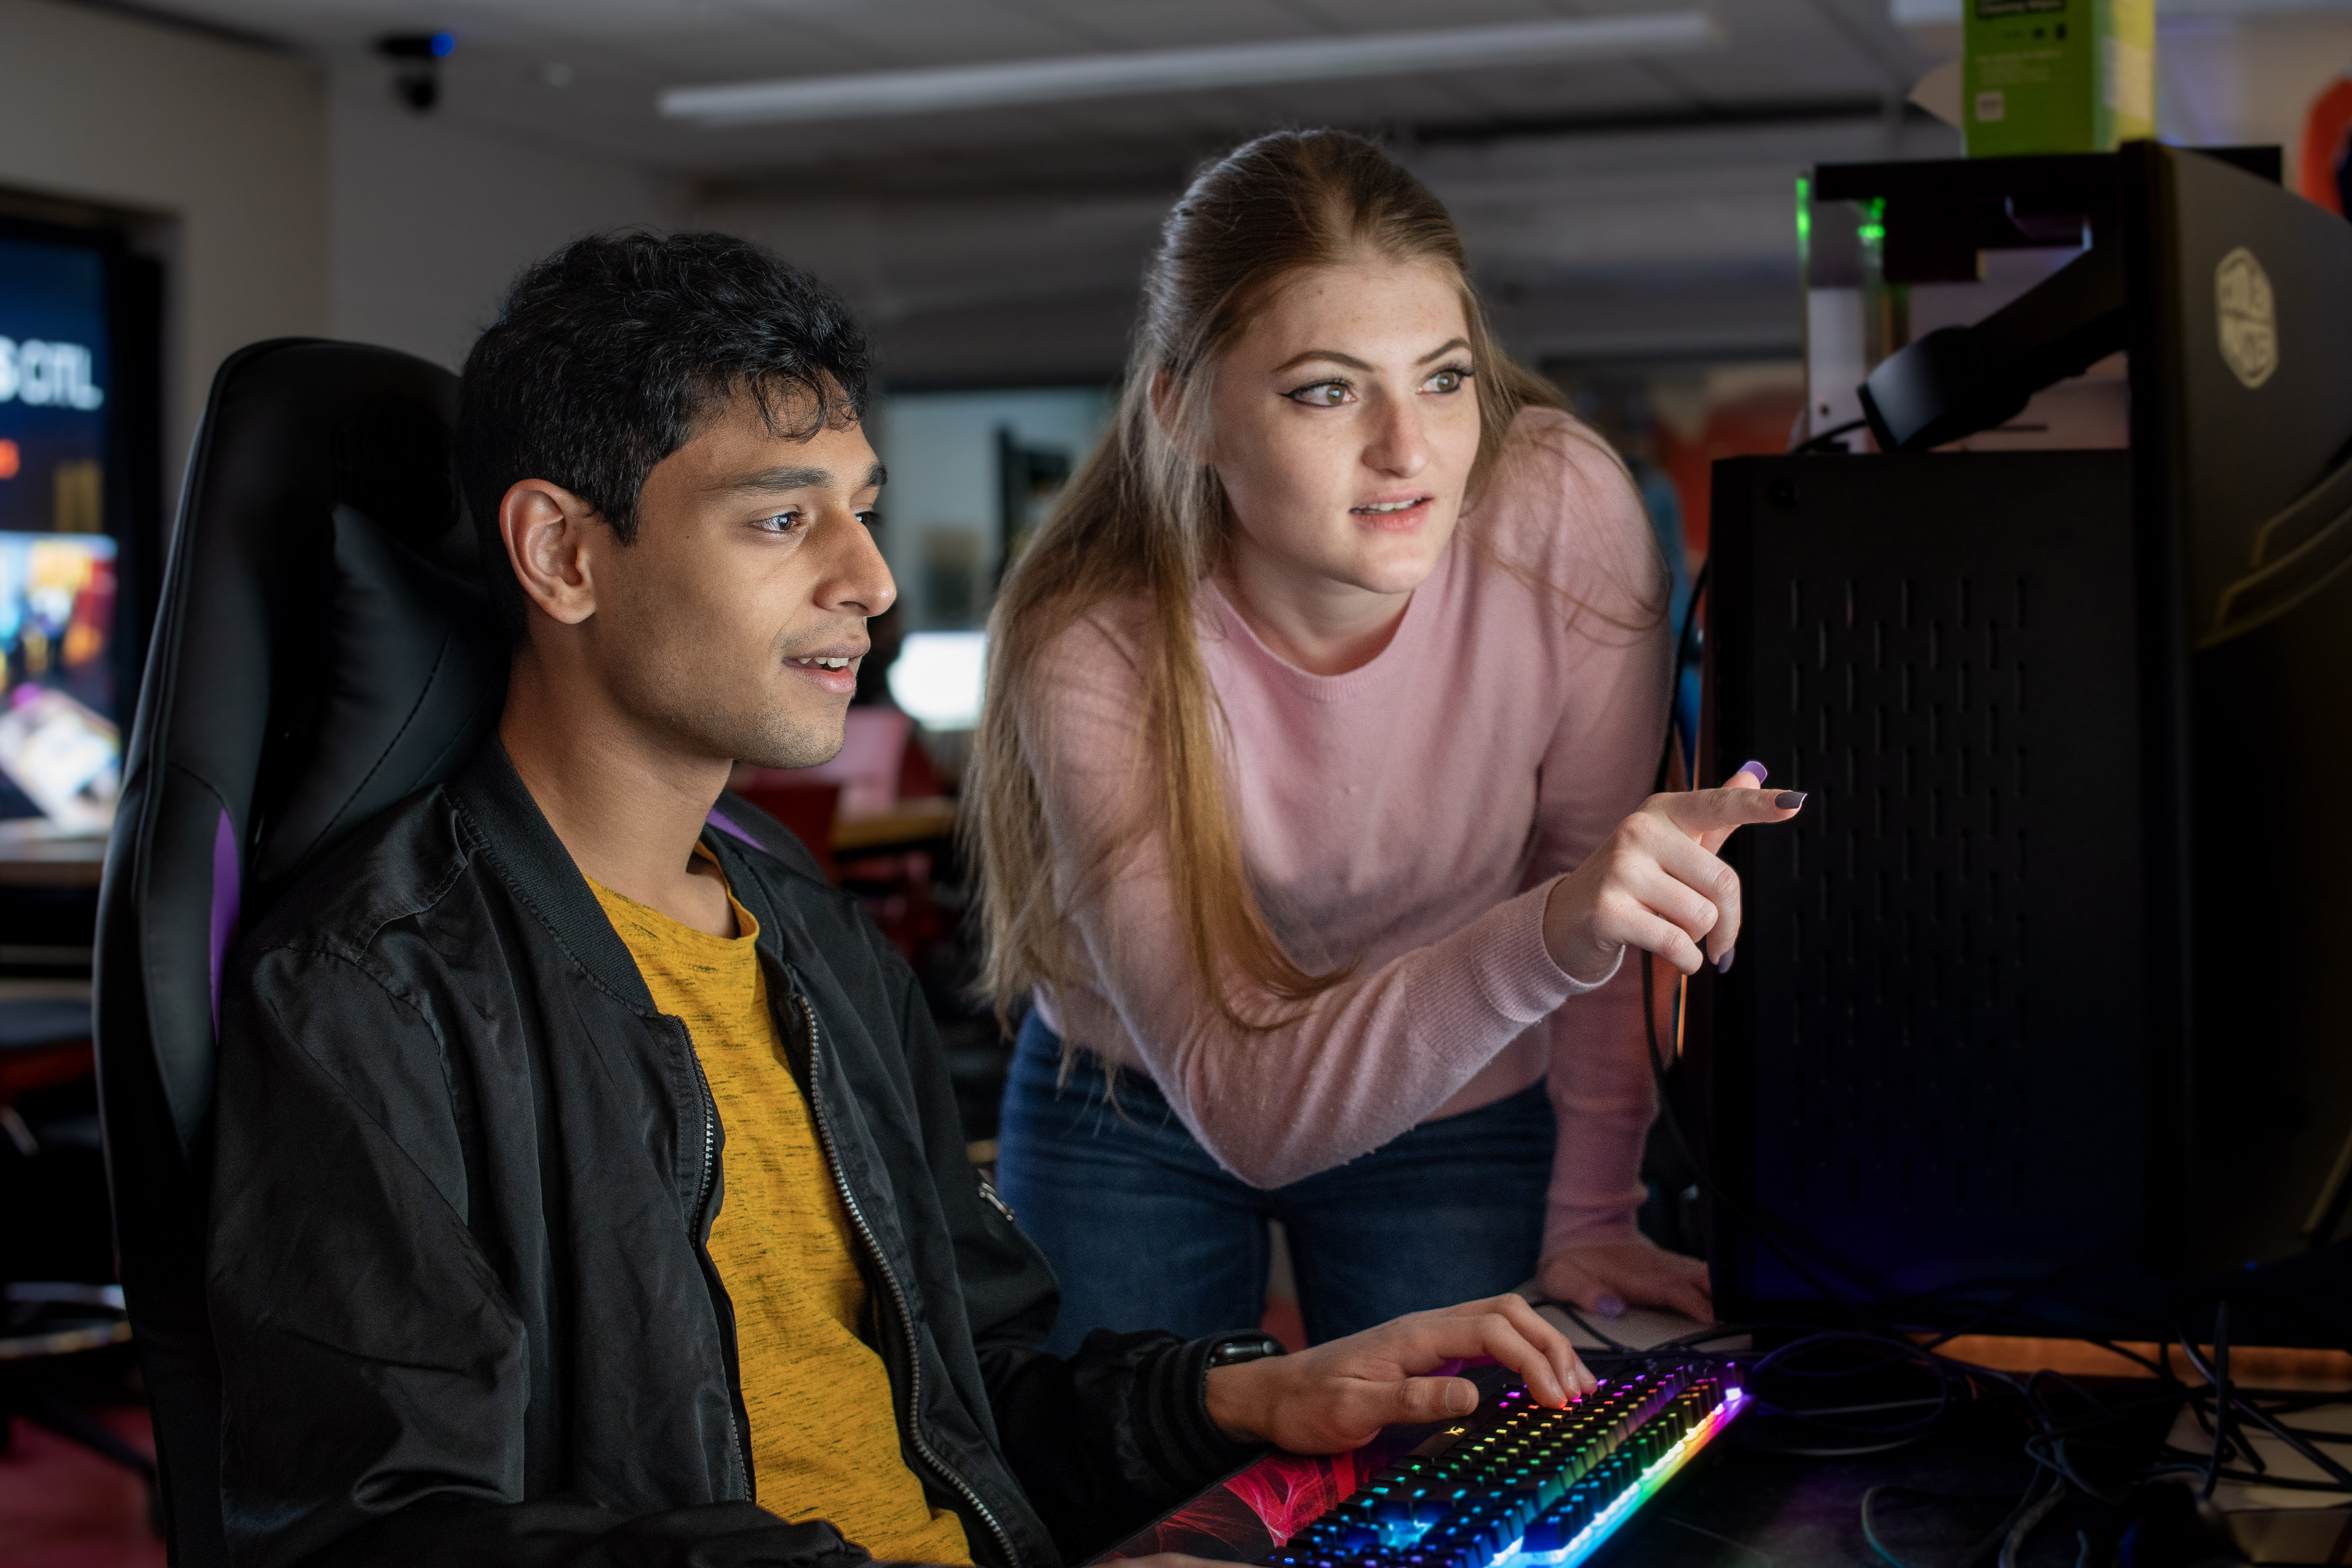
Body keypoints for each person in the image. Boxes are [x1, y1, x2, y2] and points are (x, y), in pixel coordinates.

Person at [204, 231, 1598, 1568]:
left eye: (860, 511)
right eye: (779, 519)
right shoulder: (375, 990)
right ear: (564, 554)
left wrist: (1243, 1397)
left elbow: (967, 1391)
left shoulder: (811, 938)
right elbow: (384, 1537)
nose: (867, 580)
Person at [970, 131, 1802, 1353]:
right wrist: (1556, 927)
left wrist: (1592, 1213)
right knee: (1113, 1458)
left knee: (1453, 1460)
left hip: (1458, 1088)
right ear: (1185, 411)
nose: (1408, 450)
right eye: (1327, 389)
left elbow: (1600, 889)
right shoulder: (1092, 633)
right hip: (1133, 1098)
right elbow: (1248, 1106)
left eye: (1444, 378)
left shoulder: (1558, 510)